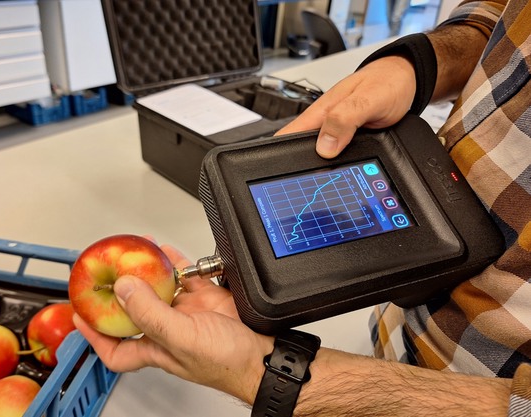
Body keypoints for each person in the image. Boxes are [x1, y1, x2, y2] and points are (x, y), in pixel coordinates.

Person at [74, 0, 531, 414]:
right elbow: (502, 16)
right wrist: (417, 64)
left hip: (441, 387)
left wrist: (265, 376)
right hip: (396, 332)